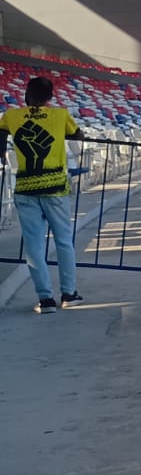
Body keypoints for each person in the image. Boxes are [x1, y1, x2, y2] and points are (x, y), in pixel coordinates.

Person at [0, 77, 85, 312]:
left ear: (27, 95)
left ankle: (45, 299)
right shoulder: (60, 115)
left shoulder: (11, 115)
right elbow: (78, 135)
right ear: (50, 97)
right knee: (63, 241)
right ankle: (69, 294)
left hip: (26, 188)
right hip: (55, 188)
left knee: (34, 245)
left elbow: (1, 135)